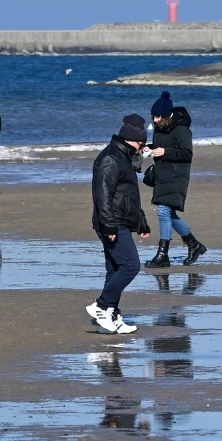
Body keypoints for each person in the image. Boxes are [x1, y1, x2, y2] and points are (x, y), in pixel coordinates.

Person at [86, 114, 152, 334]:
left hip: (120, 220)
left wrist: (141, 222)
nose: (142, 147)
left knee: (114, 269)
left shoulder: (124, 156)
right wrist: (109, 226)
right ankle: (101, 305)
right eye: (140, 143)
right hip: (112, 222)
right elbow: (102, 195)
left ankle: (111, 319)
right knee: (130, 266)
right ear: (129, 140)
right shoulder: (110, 159)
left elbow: (129, 195)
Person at [144, 92, 207, 267]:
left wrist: (165, 152)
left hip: (177, 176)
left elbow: (187, 154)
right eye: (153, 117)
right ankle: (194, 244)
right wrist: (149, 148)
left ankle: (163, 255)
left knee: (163, 212)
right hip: (161, 175)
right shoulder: (159, 128)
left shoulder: (182, 130)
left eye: (157, 117)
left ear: (166, 115)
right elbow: (159, 146)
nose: (155, 120)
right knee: (169, 214)